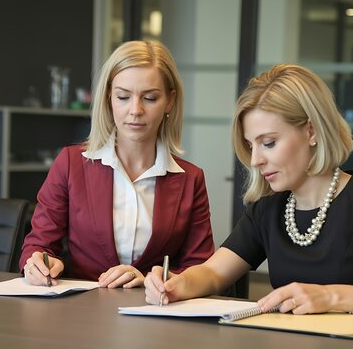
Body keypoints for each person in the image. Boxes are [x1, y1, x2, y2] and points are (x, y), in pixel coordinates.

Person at [144, 64, 353, 319]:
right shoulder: (268, 210)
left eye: (269, 142)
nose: (255, 159)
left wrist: (331, 298)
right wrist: (177, 284)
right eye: (251, 145)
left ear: (311, 131)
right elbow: (212, 274)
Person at [20, 40, 215, 288]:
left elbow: (199, 268)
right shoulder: (70, 164)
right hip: (80, 313)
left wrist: (146, 281)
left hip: (154, 313)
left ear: (169, 101)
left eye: (150, 98)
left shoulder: (190, 179)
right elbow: (39, 244)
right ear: (109, 98)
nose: (135, 110)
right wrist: (37, 262)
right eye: (123, 97)